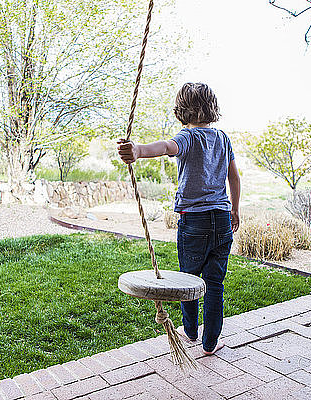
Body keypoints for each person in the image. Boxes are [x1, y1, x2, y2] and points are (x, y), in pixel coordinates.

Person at [117, 82, 241, 355]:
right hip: (221, 219)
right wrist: (235, 209)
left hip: (194, 222)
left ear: (181, 110)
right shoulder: (223, 138)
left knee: (188, 278)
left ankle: (191, 330)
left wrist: (137, 151)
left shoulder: (187, 137)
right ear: (212, 107)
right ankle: (210, 343)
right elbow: (234, 176)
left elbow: (165, 146)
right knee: (215, 283)